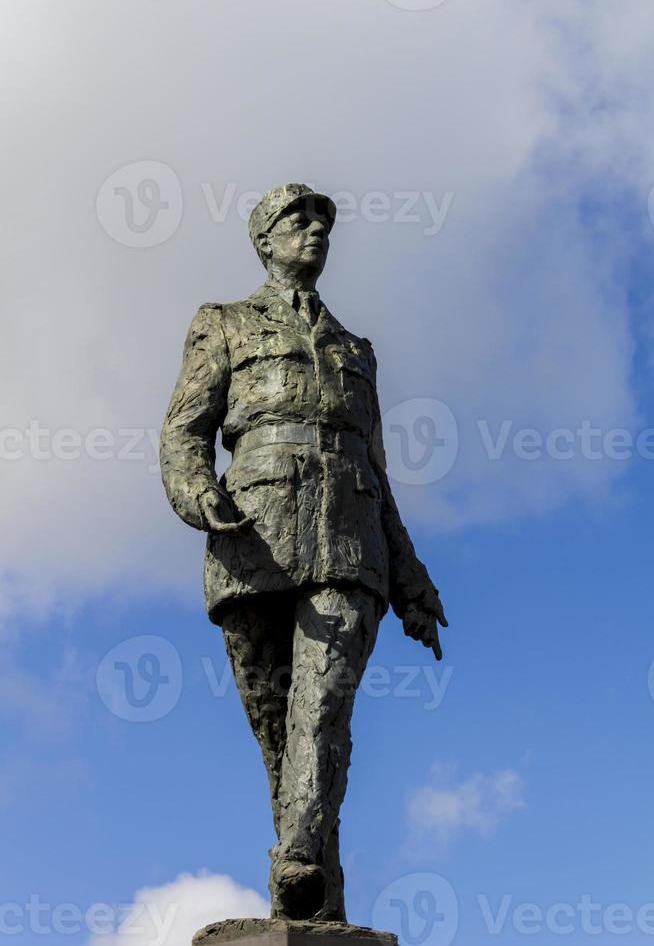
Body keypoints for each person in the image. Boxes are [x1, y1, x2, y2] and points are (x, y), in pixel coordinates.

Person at [160, 183, 448, 922]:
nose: (315, 229)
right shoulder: (222, 324)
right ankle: (317, 880)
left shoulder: (357, 351)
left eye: (323, 220)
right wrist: (197, 494)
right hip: (252, 537)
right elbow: (184, 431)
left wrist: (411, 581)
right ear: (264, 239)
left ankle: (295, 860)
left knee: (320, 710)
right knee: (278, 726)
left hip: (350, 540)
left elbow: (380, 475)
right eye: (297, 219)